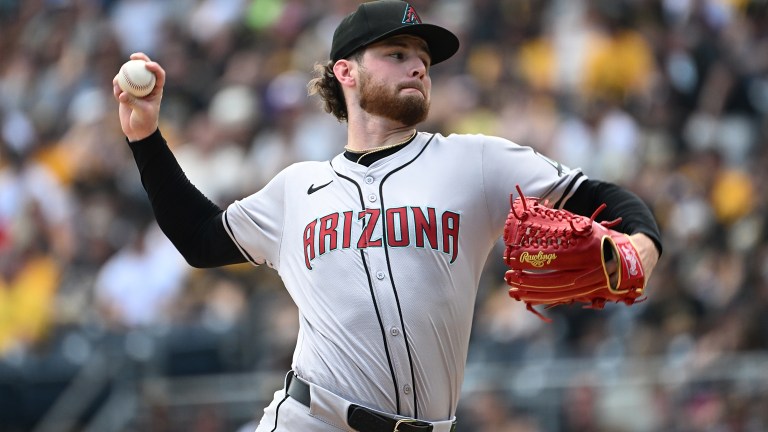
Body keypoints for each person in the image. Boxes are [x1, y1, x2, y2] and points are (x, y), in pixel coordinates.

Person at [113, 1, 662, 431]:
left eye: (423, 58)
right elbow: (199, 238)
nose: (419, 65)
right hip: (312, 420)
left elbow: (601, 195)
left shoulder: (477, 161)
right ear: (346, 72)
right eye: (396, 53)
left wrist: (642, 243)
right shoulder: (297, 189)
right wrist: (145, 139)